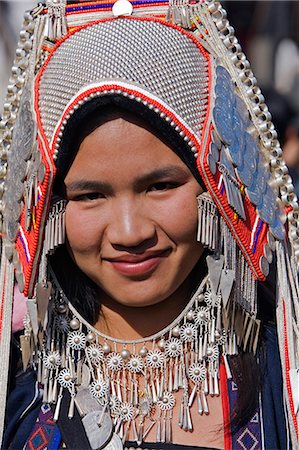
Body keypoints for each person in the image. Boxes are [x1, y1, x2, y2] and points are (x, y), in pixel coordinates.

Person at [0, 0, 299, 449]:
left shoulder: (284, 363)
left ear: (220, 187)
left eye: (160, 186)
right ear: (52, 208)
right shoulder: (15, 383)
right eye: (90, 195)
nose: (129, 232)